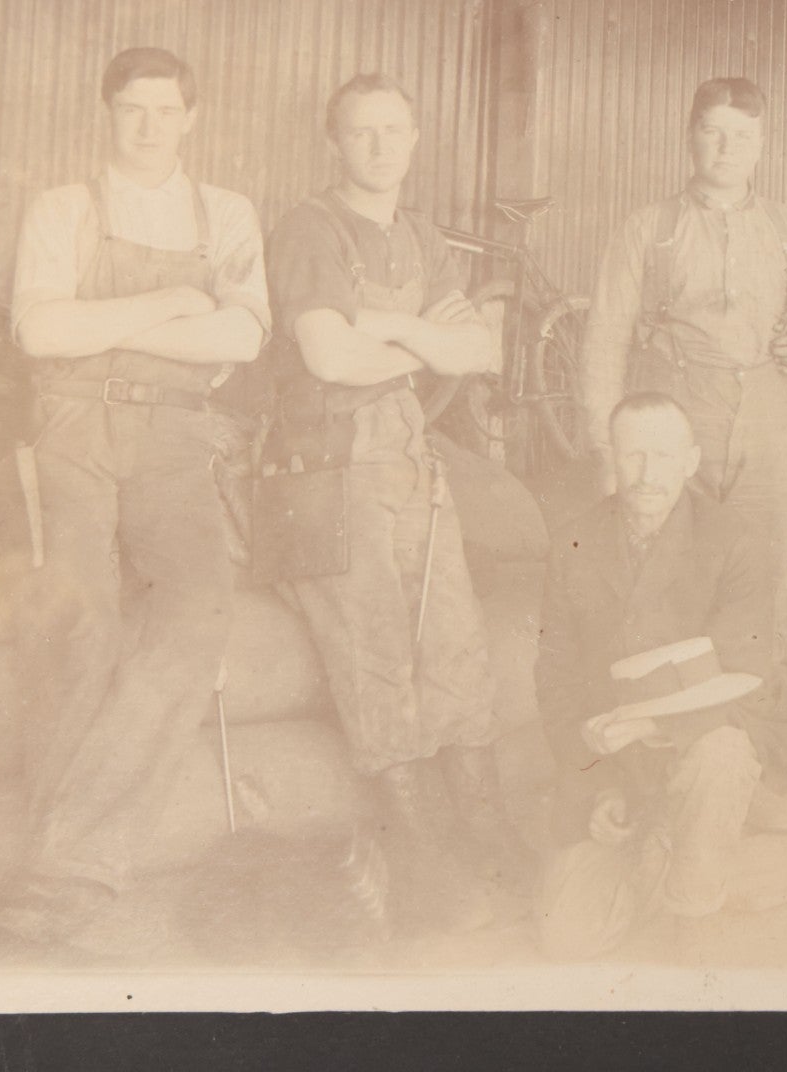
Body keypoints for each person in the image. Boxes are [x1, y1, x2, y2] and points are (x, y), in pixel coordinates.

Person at [0, 47, 270, 943]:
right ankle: (59, 867)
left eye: (165, 111)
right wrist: (172, 303)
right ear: (106, 114)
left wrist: (116, 321)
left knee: (195, 614)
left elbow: (241, 337)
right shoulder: (63, 208)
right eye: (132, 111)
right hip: (73, 428)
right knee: (79, 624)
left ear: (191, 118)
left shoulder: (226, 215)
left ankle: (70, 864)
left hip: (178, 438)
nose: (149, 128)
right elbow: (41, 331)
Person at [260, 73, 511, 932]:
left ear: (414, 138)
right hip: (328, 463)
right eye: (360, 132)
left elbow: (481, 347)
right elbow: (327, 358)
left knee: (455, 641)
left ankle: (487, 838)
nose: (378, 147)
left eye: (392, 131)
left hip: (410, 452)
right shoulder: (308, 229)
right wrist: (428, 344)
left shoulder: (419, 235)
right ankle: (421, 858)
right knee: (373, 659)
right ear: (335, 143)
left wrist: (392, 330)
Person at [576, 77, 787, 753]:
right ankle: (665, 753)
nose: (727, 149)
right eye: (714, 132)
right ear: (690, 136)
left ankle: (756, 750)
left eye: (742, 136)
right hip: (676, 418)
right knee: (667, 575)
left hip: (770, 422)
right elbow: (604, 336)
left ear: (762, 144)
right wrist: (608, 452)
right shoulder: (650, 229)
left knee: (757, 576)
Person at [535, 393, 785, 959]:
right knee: (566, 939)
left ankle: (695, 906)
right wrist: (596, 785)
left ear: (691, 460)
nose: (648, 475)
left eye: (665, 457)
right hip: (613, 760)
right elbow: (556, 681)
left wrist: (651, 726)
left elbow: (749, 681)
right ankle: (668, 842)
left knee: (721, 757)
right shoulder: (571, 543)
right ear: (612, 461)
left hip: (701, 743)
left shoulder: (736, 540)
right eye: (634, 456)